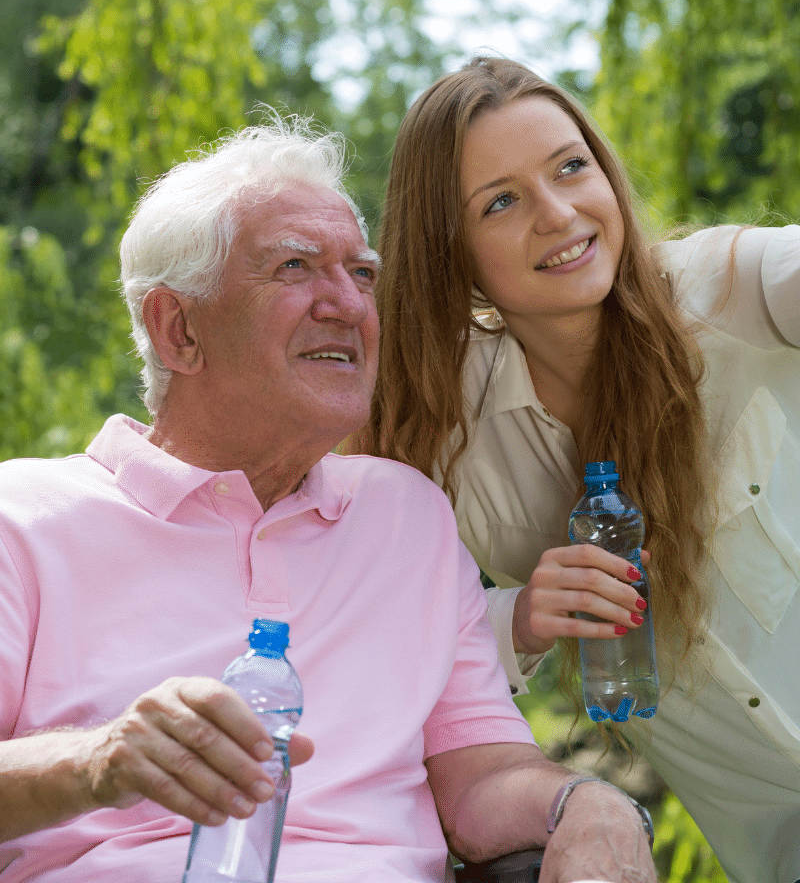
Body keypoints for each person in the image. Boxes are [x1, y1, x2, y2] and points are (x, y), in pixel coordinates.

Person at [351, 56, 800, 883]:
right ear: (452, 249)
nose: (558, 213)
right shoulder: (444, 436)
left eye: (570, 167)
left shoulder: (717, 289)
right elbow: (384, 635)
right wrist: (521, 618)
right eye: (501, 202)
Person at [0, 115, 657, 883]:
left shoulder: (407, 516)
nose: (348, 305)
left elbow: (481, 771)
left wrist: (590, 805)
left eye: (363, 273)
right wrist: (97, 760)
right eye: (294, 267)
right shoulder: (25, 518)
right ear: (178, 329)